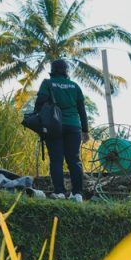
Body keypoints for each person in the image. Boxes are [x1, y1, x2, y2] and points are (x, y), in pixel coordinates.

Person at [34, 58, 90, 201]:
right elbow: (82, 110)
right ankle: (77, 194)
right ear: (66, 71)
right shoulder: (74, 86)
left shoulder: (47, 83)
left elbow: (40, 101)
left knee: (56, 160)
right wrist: (85, 131)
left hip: (54, 126)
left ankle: (59, 192)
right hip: (73, 126)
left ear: (52, 71)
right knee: (74, 160)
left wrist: (37, 118)